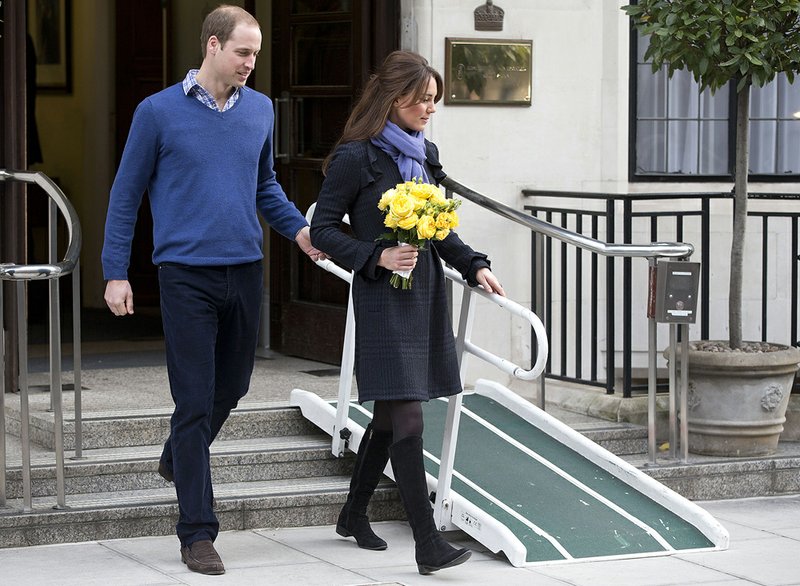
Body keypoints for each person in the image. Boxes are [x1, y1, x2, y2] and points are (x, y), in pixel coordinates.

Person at [101, 5, 324, 576]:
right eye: (242, 52)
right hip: (184, 276)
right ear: (212, 46)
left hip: (245, 268)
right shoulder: (157, 112)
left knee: (236, 383)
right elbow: (126, 195)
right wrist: (115, 271)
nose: (251, 62)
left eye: (256, 53)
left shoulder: (260, 110)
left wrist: (300, 230)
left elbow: (264, 185)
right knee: (194, 400)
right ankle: (198, 531)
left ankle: (180, 453)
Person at [310, 50, 505, 575]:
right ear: (393, 99)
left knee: (390, 413)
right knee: (409, 413)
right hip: (381, 294)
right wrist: (375, 255)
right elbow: (324, 229)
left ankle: (353, 513)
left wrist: (473, 264)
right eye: (422, 100)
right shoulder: (357, 157)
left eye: (434, 101)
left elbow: (440, 225)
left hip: (422, 291)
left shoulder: (424, 152)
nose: (430, 109)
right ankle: (426, 542)